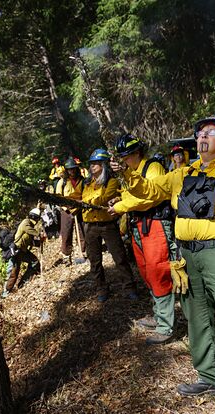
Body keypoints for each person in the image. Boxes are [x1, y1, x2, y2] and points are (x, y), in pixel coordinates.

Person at [110, 115, 215, 414]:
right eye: (198, 132)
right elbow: (148, 192)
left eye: (209, 132)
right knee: (197, 322)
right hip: (189, 258)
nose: (201, 136)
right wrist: (128, 176)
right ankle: (209, 377)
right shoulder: (182, 174)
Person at [108, 134, 176, 345]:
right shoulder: (132, 172)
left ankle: (166, 326)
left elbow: (149, 197)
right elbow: (133, 195)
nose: (124, 161)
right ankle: (159, 315)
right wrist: (120, 199)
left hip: (155, 223)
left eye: (126, 157)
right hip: (138, 225)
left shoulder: (153, 167)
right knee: (147, 272)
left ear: (137, 153)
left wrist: (120, 207)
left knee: (159, 272)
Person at [78, 148, 138, 302]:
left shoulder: (111, 182)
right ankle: (101, 289)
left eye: (96, 163)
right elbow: (81, 198)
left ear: (104, 165)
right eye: (91, 163)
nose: (93, 166)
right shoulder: (86, 183)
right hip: (90, 225)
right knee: (95, 261)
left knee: (119, 257)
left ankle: (130, 288)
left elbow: (103, 198)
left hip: (107, 225)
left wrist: (85, 203)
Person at [2, 208, 46, 298]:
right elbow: (29, 230)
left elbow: (29, 240)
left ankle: (23, 283)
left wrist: (39, 241)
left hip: (22, 251)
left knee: (34, 262)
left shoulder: (30, 226)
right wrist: (39, 234)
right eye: (37, 218)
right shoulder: (26, 222)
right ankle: (6, 293)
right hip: (16, 251)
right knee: (13, 272)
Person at [55, 158, 86, 264]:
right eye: (69, 169)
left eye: (73, 169)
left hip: (80, 209)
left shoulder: (82, 181)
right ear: (66, 170)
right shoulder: (62, 182)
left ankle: (83, 251)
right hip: (66, 211)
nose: (71, 171)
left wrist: (79, 205)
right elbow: (58, 197)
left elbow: (85, 194)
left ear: (76, 169)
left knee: (82, 232)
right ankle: (66, 255)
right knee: (66, 232)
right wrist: (66, 207)